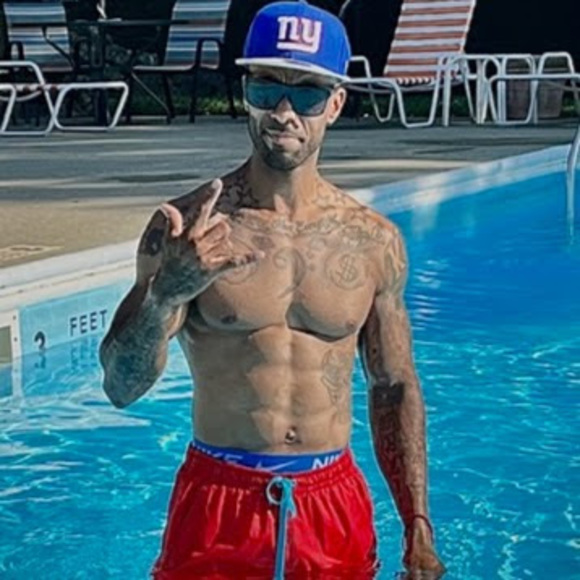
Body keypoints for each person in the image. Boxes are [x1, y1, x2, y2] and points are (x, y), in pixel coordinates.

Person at [100, 2, 445, 578]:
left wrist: (417, 522)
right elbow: (119, 387)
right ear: (246, 93)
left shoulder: (372, 241)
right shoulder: (188, 231)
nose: (284, 112)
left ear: (336, 103)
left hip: (331, 501)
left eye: (306, 93)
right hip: (218, 498)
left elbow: (393, 386)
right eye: (267, 88)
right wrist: (165, 296)